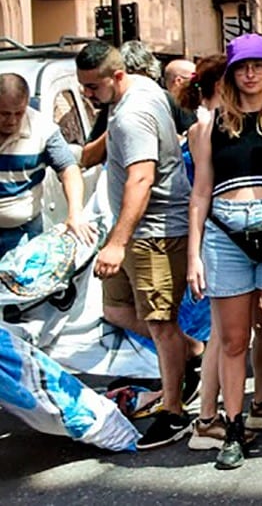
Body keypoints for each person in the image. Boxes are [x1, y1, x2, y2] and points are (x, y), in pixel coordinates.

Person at [184, 35, 262, 470]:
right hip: (224, 232)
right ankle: (233, 428)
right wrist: (193, 255)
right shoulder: (208, 127)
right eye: (241, 67)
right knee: (233, 340)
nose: (250, 73)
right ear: (231, 74)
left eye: (258, 65)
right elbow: (200, 194)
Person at [76, 41, 197, 449]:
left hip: (154, 233)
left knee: (161, 325)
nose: (88, 95)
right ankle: (193, 352)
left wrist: (117, 244)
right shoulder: (142, 88)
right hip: (134, 233)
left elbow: (141, 178)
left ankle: (175, 411)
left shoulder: (133, 114)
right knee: (115, 310)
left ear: (118, 76)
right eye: (84, 87)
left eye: (93, 87)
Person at [0, 74, 91, 257]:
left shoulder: (43, 129)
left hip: (23, 235)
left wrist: (75, 212)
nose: (12, 121)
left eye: (19, 113)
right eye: (4, 114)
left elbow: (69, 169)